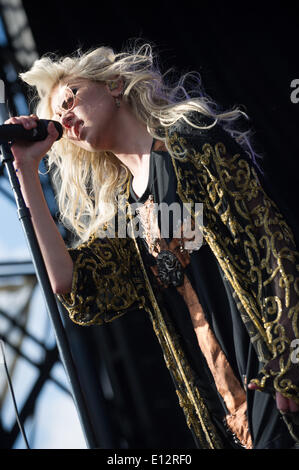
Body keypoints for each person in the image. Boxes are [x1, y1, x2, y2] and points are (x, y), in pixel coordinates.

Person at [7, 43, 299, 449]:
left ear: (113, 84)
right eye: (58, 116)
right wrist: (25, 170)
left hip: (273, 374)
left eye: (70, 98)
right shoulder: (127, 219)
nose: (66, 116)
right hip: (229, 420)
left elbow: (271, 244)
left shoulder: (189, 143)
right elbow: (71, 285)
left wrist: (291, 356)